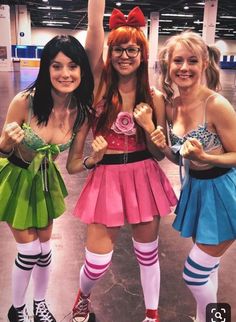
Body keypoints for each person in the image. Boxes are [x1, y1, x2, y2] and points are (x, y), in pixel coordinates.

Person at [66, 1, 177, 322]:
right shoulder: (99, 87)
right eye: (118, 49)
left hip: (145, 176)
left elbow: (160, 153)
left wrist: (150, 128)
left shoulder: (154, 97)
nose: (125, 56)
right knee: (97, 262)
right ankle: (82, 298)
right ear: (109, 54)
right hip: (107, 178)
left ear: (143, 55)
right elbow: (93, 39)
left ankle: (152, 314)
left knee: (148, 255)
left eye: (132, 50)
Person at [135, 30, 236, 322]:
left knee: (194, 274)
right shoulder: (172, 107)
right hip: (196, 191)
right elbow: (173, 156)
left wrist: (206, 157)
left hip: (225, 192)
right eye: (178, 61)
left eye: (192, 61)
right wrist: (149, 129)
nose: (184, 67)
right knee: (210, 268)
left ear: (204, 63)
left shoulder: (215, 105)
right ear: (168, 66)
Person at [0, 35, 94, 322]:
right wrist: (5, 140)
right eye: (56, 66)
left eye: (72, 66)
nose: (65, 73)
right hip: (15, 177)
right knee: (28, 251)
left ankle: (39, 304)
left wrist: (94, 160)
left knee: (44, 250)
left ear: (82, 71)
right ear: (46, 69)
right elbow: (3, 148)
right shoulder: (25, 102)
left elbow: (75, 164)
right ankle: (18, 310)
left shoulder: (81, 114)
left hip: (44, 181)